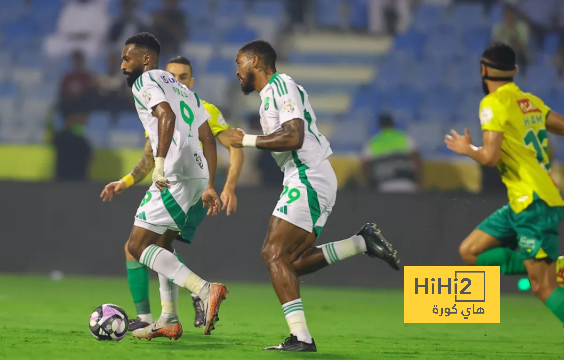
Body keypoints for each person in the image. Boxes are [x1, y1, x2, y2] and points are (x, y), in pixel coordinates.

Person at [227, 40, 400, 352]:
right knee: (292, 262)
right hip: (308, 177)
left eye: (240, 62)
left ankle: (302, 338)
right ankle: (361, 242)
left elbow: (294, 136)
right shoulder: (269, 97)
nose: (236, 70)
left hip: (308, 175)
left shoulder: (281, 86)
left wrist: (247, 140)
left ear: (255, 61)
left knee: (272, 253)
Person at [99, 33, 227, 340]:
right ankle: (168, 318)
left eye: (126, 59)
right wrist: (208, 182)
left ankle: (204, 289)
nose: (122, 66)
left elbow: (164, 115)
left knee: (137, 247)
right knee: (161, 246)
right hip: (196, 173)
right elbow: (208, 137)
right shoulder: (183, 90)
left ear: (145, 60)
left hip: (173, 172)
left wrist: (159, 164)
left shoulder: (146, 83)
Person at [445, 42, 564, 327]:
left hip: (533, 203)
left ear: (483, 70)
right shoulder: (529, 102)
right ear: (515, 71)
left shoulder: (492, 103)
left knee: (543, 288)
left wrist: (466, 148)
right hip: (523, 202)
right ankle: (550, 265)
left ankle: (547, 268)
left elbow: (489, 156)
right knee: (471, 252)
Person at [361, 113, 423, 193]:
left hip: (384, 185)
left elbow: (365, 167)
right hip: (407, 184)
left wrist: (369, 187)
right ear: (393, 124)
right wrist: (419, 184)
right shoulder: (404, 138)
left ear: (380, 126)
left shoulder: (372, 143)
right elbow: (417, 161)